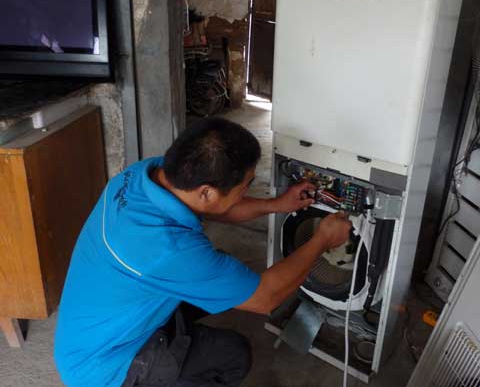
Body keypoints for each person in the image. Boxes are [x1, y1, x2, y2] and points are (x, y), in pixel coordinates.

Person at [54, 118, 351, 387]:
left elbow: (212, 208)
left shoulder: (142, 175)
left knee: (218, 280)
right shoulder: (171, 249)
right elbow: (266, 297)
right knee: (233, 356)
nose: (247, 190)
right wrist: (322, 239)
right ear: (206, 192)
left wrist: (277, 205)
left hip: (89, 332)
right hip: (106, 368)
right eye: (245, 186)